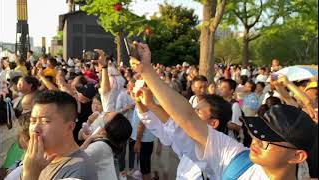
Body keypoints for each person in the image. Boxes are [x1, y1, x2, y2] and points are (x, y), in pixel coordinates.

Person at [129, 43, 317, 179]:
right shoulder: (236, 159)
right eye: (258, 133)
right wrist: (147, 71)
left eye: (268, 140)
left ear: (297, 156)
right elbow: (187, 119)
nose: (256, 142)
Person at [22, 90, 97, 179]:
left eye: (45, 121)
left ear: (70, 127)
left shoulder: (78, 171)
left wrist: (30, 174)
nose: (35, 128)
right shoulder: (37, 160)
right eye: (33, 121)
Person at [80, 112, 132, 180]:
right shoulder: (109, 144)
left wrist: (90, 139)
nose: (104, 114)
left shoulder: (99, 146)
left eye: (107, 115)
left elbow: (74, 159)